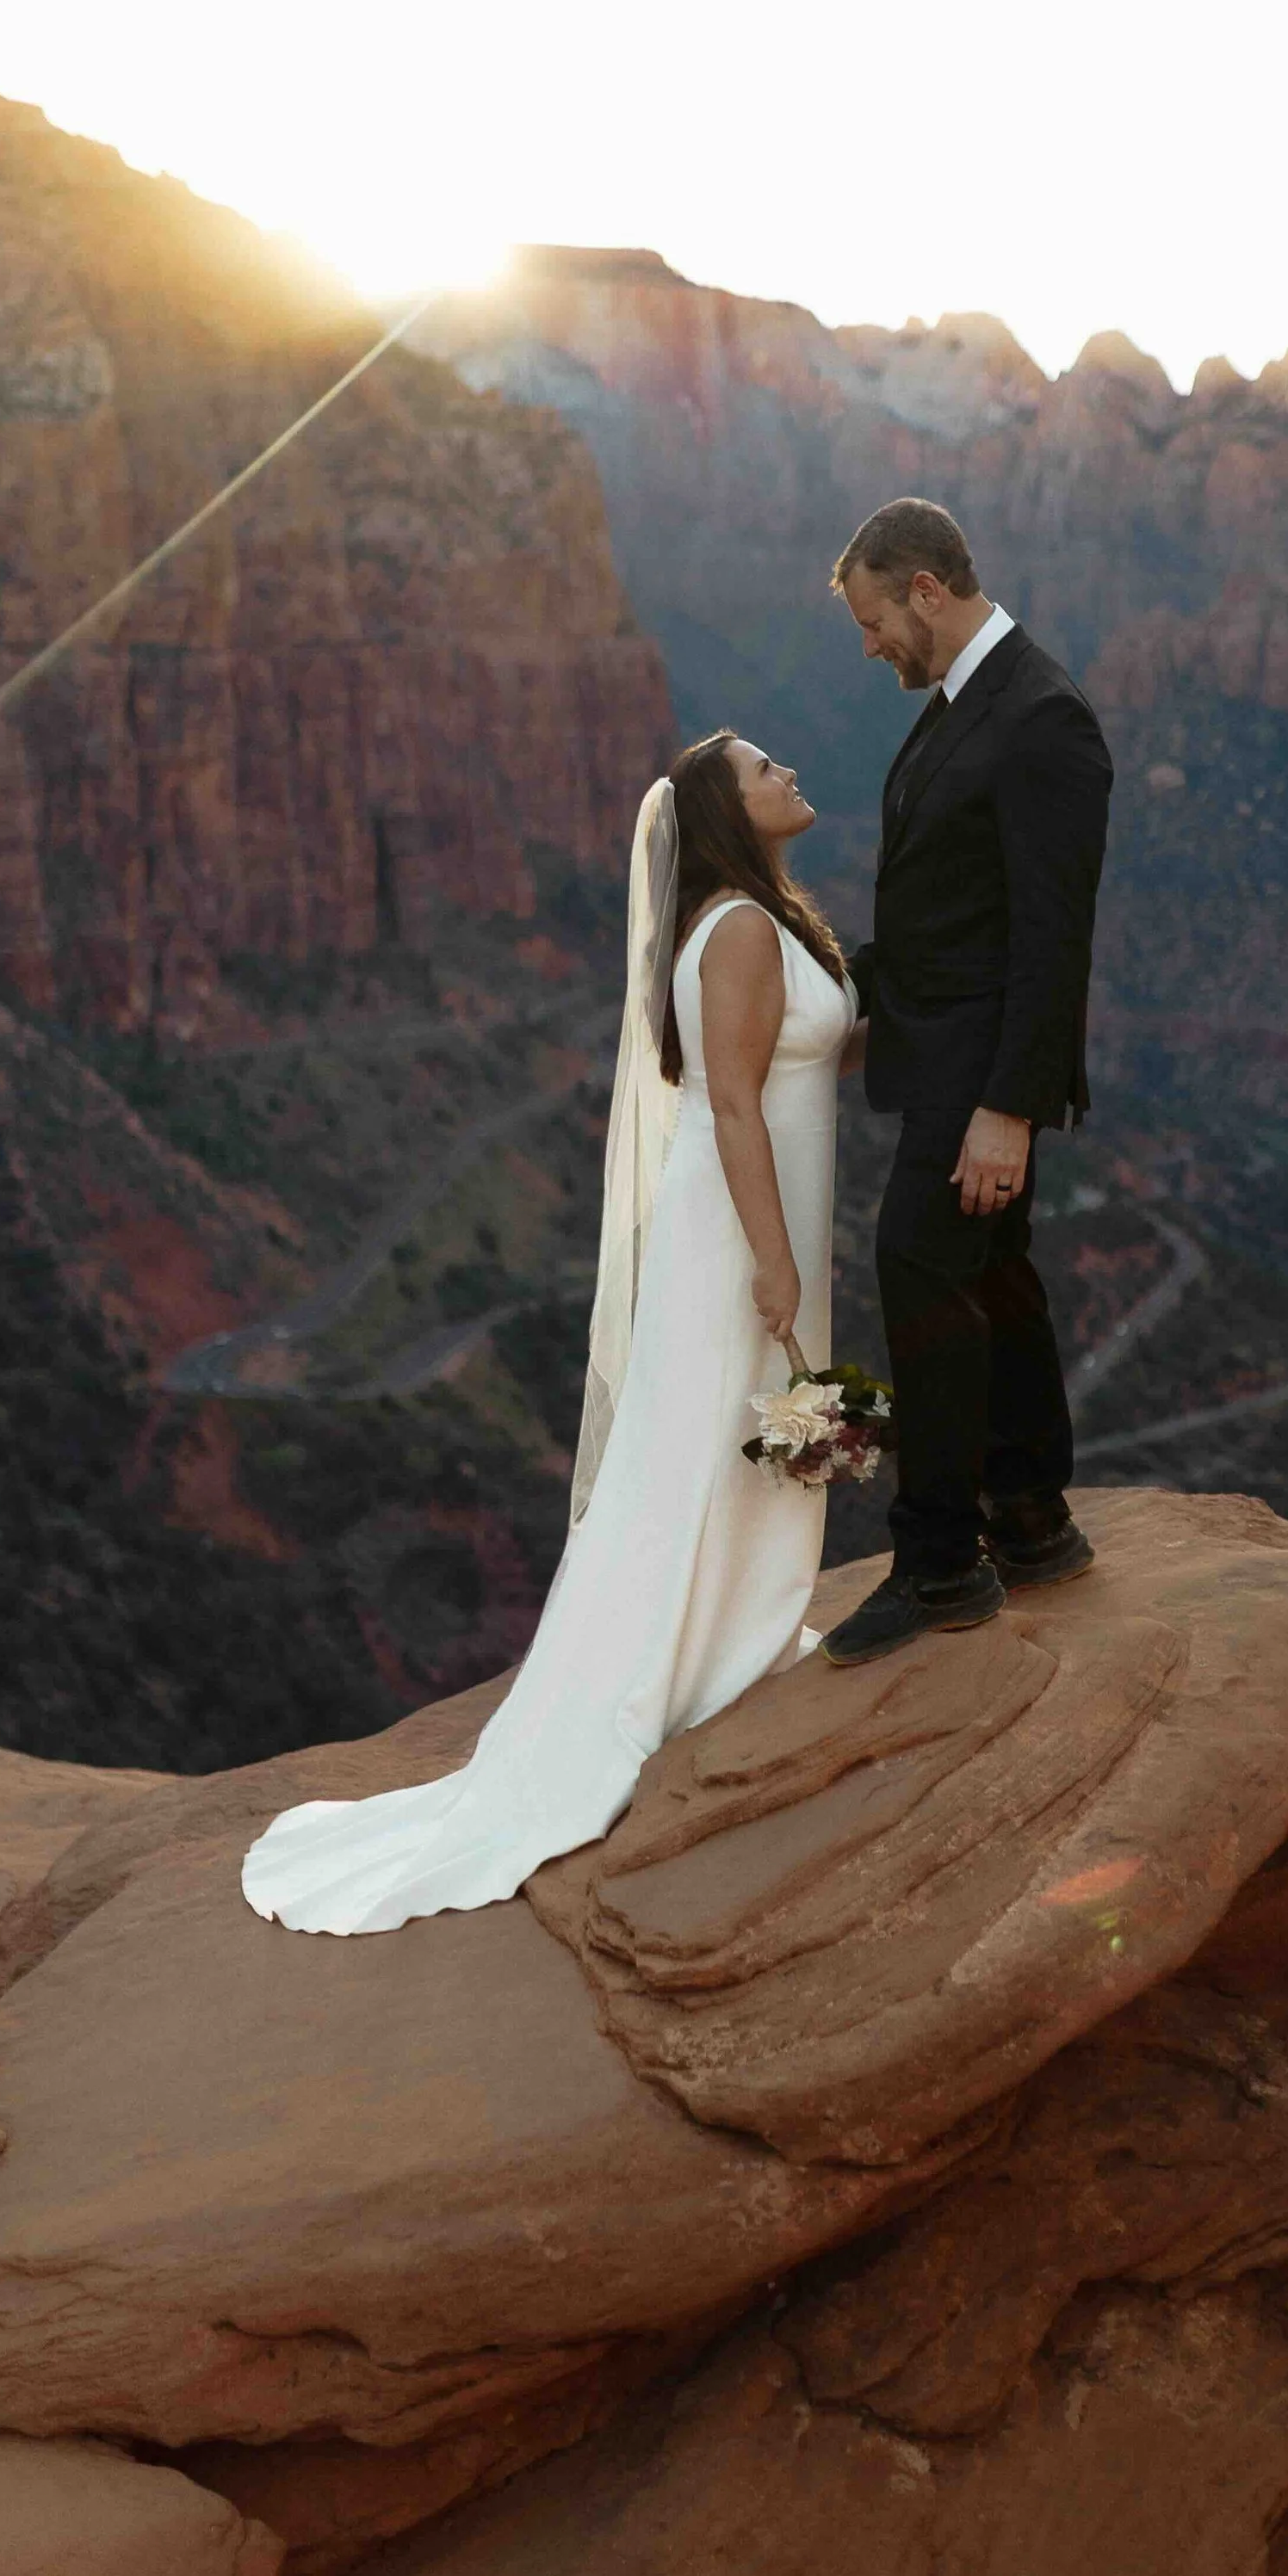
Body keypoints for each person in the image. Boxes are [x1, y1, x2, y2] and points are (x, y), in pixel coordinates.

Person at [240, 731, 856, 1932]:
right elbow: (729, 1100)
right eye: (763, 768)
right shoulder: (733, 927)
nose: (788, 769)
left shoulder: (760, 913)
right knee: (701, 1443)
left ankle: (734, 1627)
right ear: (728, 816)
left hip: (758, 1216)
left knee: (731, 1435)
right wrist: (775, 1258)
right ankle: (690, 1659)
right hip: (739, 1228)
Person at [822, 497, 1113, 1669]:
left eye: (872, 617)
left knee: (921, 1266)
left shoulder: (1042, 718)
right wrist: (833, 997)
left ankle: (941, 1563)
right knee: (993, 1277)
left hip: (980, 1078)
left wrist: (1010, 1109)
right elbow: (948, 913)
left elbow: (1053, 936)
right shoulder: (968, 703)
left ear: (925, 591)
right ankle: (1034, 1520)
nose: (868, 643)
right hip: (943, 1052)